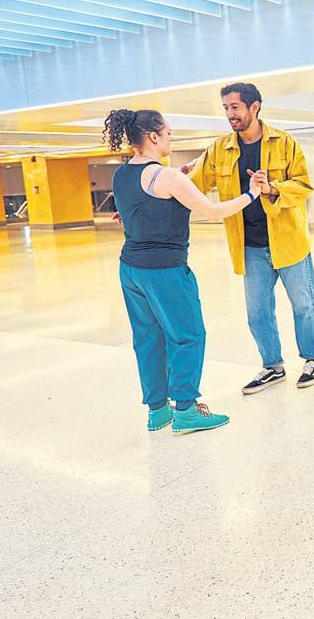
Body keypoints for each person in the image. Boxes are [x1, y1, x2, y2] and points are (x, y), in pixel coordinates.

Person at [103, 108, 261, 434]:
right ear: (153, 137)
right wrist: (251, 194)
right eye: (169, 133)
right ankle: (186, 410)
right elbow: (215, 211)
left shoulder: (122, 175)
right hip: (165, 270)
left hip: (131, 269)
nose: (171, 138)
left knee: (148, 339)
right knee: (189, 335)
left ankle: (158, 411)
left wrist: (180, 173)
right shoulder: (168, 178)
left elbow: (142, 203)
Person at [185, 82, 314, 394]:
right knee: (258, 312)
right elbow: (191, 185)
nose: (230, 114)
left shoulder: (284, 143)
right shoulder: (219, 149)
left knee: (304, 306)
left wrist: (273, 188)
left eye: (235, 107)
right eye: (225, 108)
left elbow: (304, 186)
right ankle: (272, 365)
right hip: (249, 246)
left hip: (289, 242)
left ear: (255, 107)